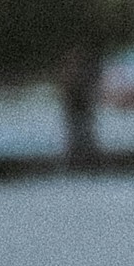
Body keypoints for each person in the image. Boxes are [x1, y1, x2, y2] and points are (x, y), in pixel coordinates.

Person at [54, 38, 100, 170]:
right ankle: (77, 157)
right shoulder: (71, 72)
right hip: (75, 106)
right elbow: (66, 89)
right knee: (77, 131)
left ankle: (85, 156)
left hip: (81, 106)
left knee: (83, 131)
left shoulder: (77, 72)